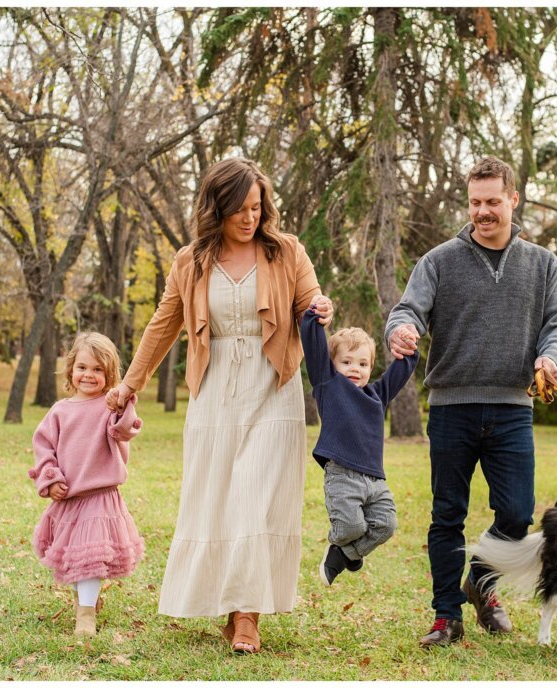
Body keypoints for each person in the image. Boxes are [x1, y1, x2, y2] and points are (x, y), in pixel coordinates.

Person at [104, 158, 331, 654]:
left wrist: (320, 307)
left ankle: (247, 617)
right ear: (217, 209)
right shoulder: (191, 261)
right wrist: (129, 384)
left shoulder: (286, 251)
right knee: (221, 499)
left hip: (273, 386)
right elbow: (164, 325)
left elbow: (311, 300)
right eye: (239, 210)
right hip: (214, 390)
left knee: (254, 495)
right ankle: (231, 606)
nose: (250, 218)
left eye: (257, 207)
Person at [384, 156, 557, 648]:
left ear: (513, 198)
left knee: (516, 513)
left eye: (492, 201)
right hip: (452, 407)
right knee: (447, 514)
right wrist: (401, 330)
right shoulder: (440, 260)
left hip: (512, 407)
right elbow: (408, 310)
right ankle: (447, 615)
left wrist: (550, 359)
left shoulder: (542, 264)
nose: (482, 212)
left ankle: (481, 584)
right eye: (474, 203)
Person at [28, 332, 145, 638]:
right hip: (69, 498)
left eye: (97, 370)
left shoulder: (109, 408)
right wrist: (50, 478)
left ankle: (86, 614)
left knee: (90, 560)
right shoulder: (60, 411)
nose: (88, 375)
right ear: (71, 370)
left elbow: (124, 430)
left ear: (109, 374)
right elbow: (43, 449)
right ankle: (85, 599)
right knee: (75, 559)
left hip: (100, 496)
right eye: (82, 367)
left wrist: (123, 403)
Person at [300, 300, 419, 586]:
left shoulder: (378, 394)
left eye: (363, 364)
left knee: (386, 525)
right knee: (350, 527)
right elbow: (313, 344)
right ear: (332, 364)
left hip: (376, 480)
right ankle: (342, 545)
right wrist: (314, 316)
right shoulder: (327, 383)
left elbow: (402, 369)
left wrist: (408, 347)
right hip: (342, 474)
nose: (356, 369)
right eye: (347, 362)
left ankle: (343, 554)